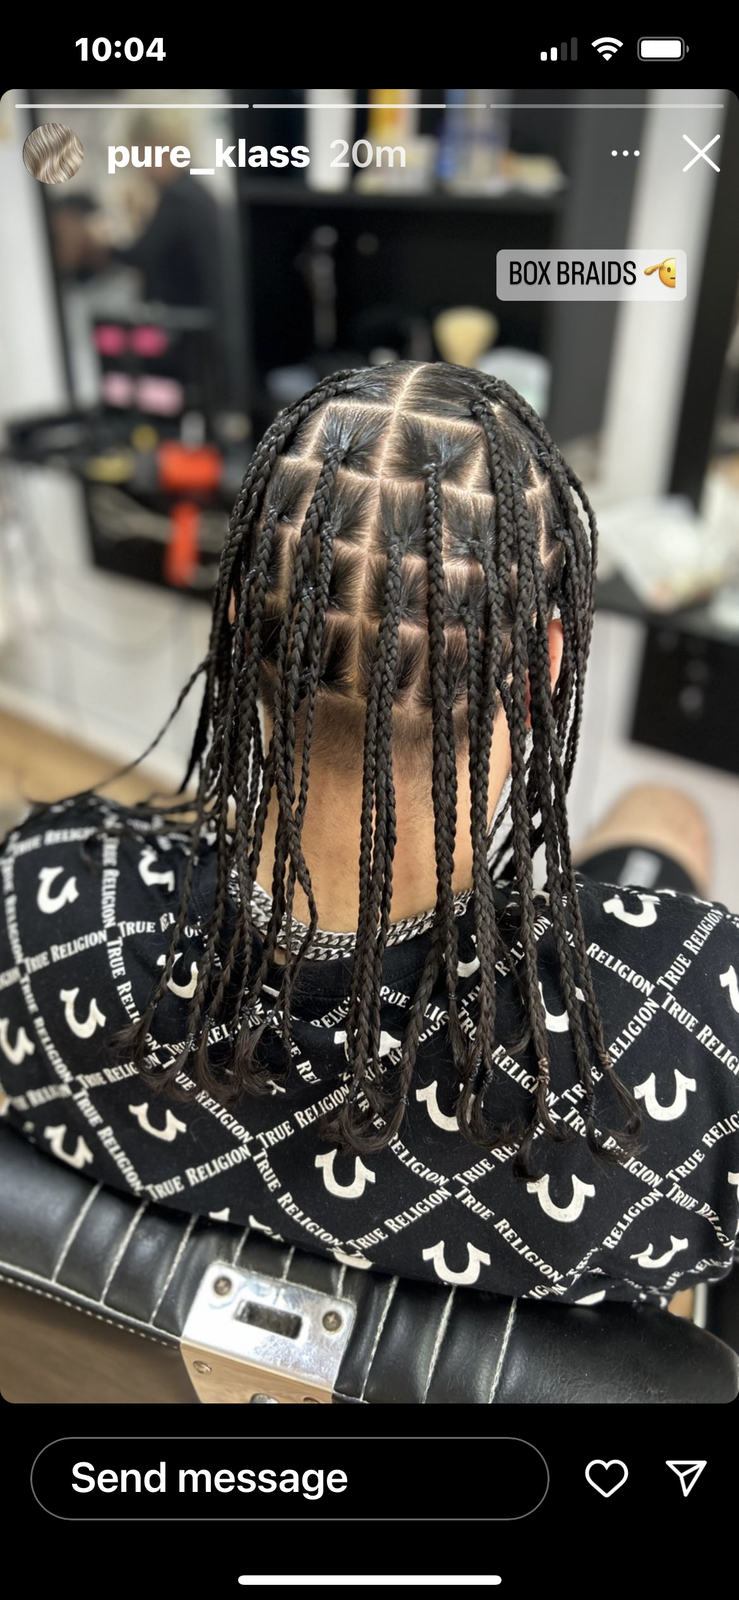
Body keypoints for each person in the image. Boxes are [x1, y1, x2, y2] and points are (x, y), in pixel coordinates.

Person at [0, 361, 737, 1309]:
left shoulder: (39, 904)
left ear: (239, 627)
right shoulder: (694, 1020)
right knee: (662, 814)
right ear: (542, 671)